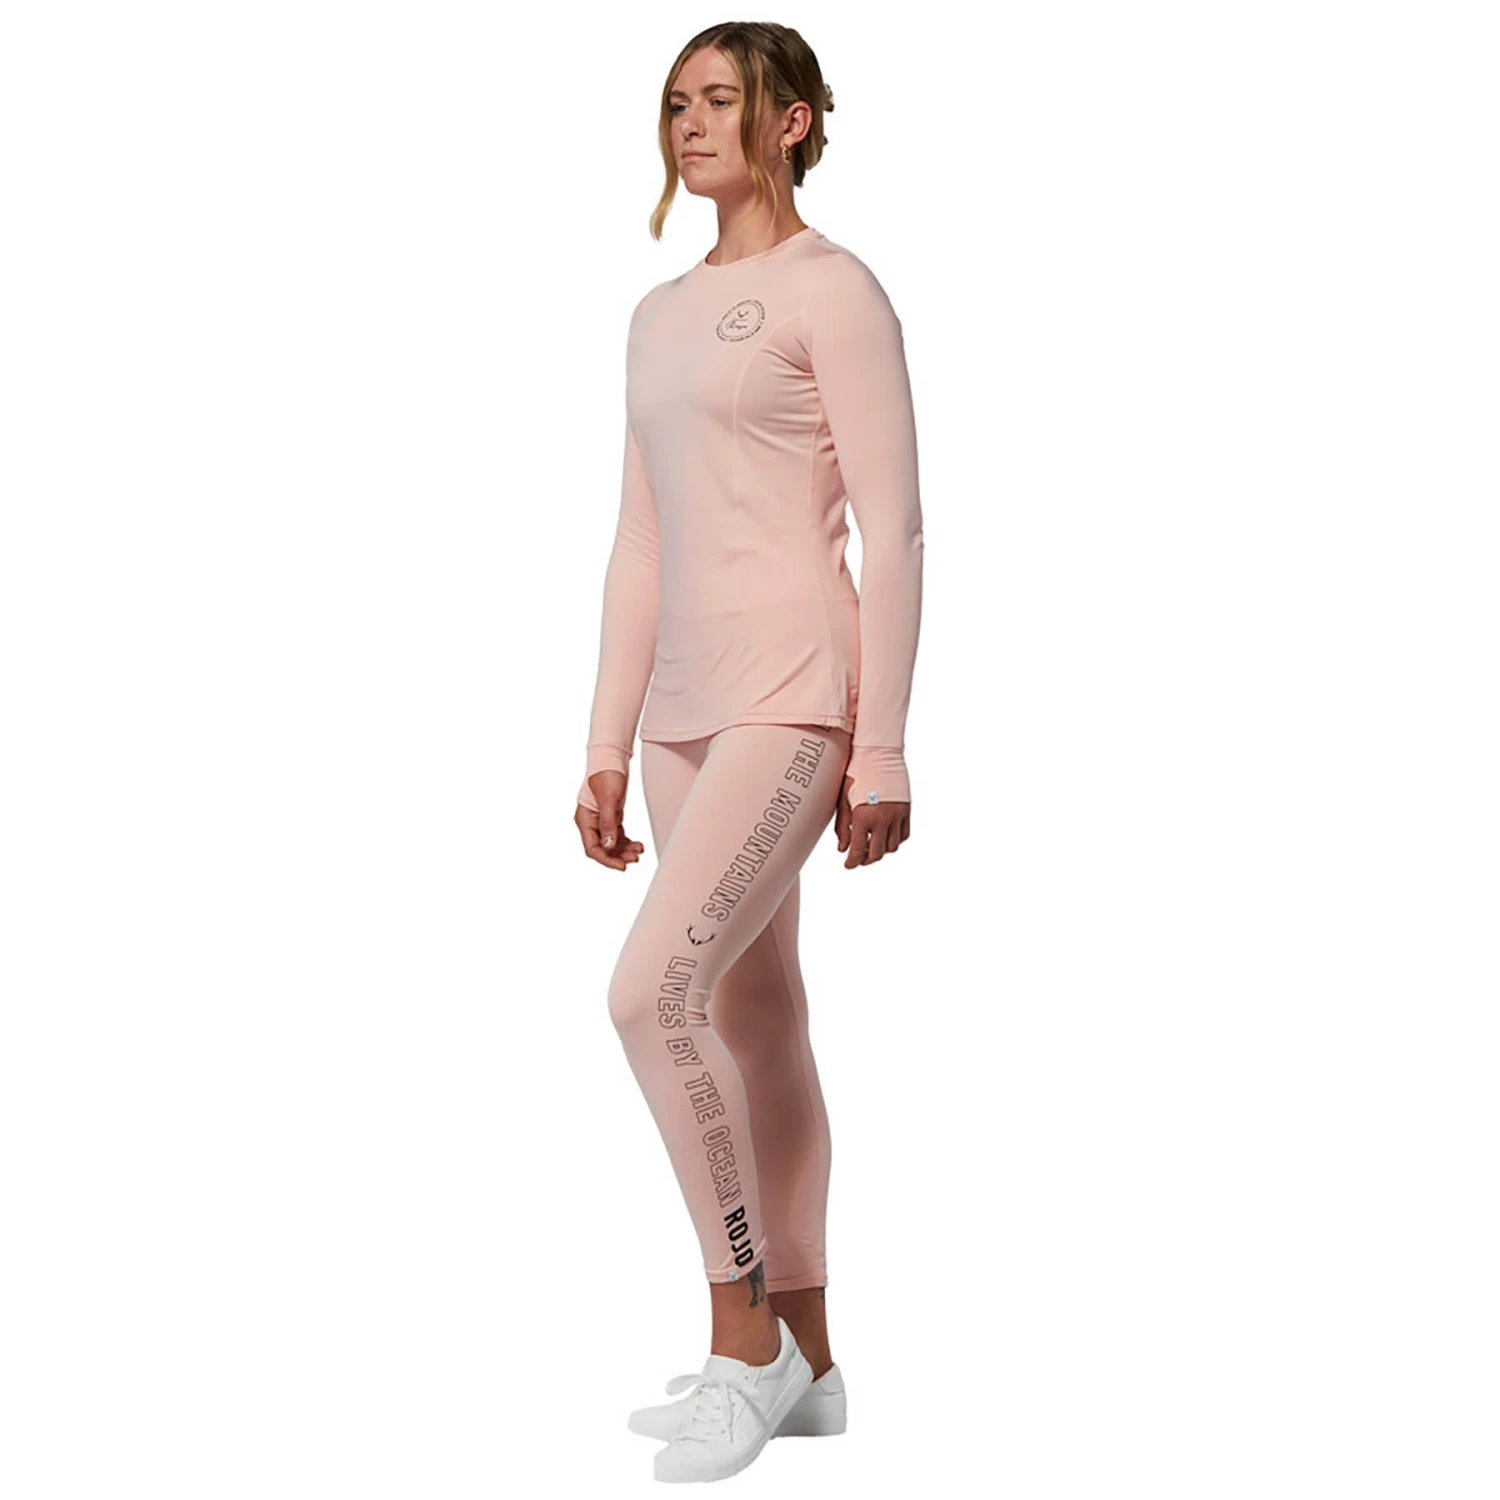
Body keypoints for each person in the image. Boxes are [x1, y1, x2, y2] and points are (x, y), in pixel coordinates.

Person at [571, 22, 924, 1483]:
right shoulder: (658, 314)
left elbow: (896, 530)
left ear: (794, 122)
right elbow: (640, 538)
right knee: (756, 1018)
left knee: (651, 995)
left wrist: (881, 743)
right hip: (681, 711)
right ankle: (814, 1363)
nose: (691, 123)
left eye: (722, 99)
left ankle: (744, 1340)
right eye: (677, 102)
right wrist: (605, 738)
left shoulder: (834, 289)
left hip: (793, 689)